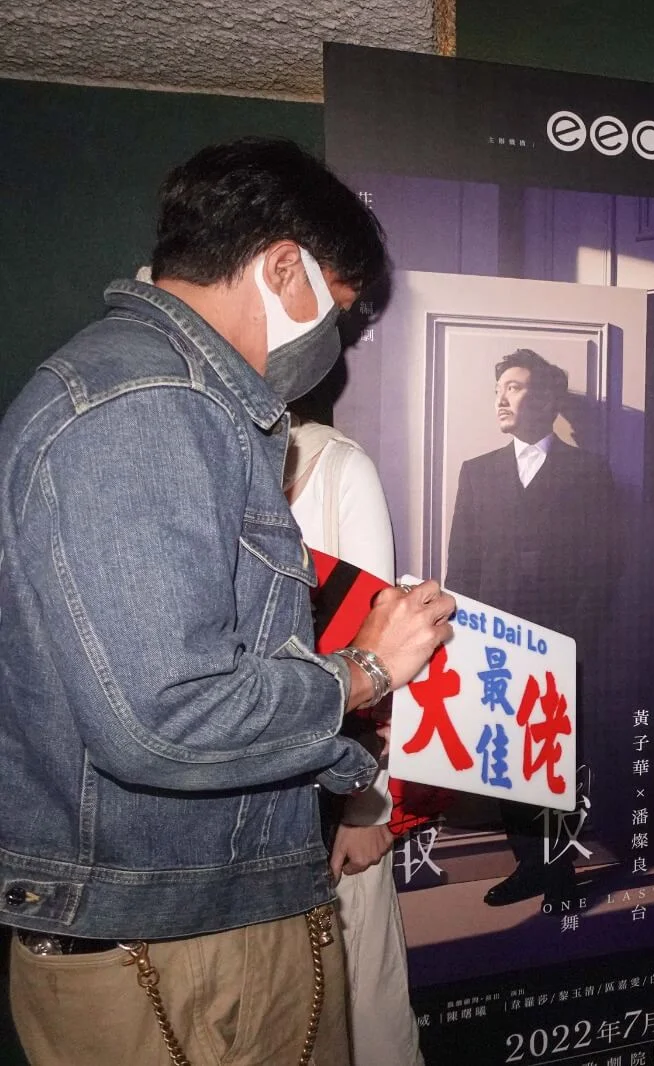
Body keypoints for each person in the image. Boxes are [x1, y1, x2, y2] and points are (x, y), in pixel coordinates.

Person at [0, 138, 454, 1065]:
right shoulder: (145, 407)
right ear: (283, 268)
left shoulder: (179, 401)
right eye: (340, 310)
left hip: (202, 911)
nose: (338, 343)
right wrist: (364, 671)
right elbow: (162, 717)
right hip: (174, 943)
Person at [446, 348, 619, 907]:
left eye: (515, 387)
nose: (501, 398)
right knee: (506, 758)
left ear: (545, 398)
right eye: (499, 388)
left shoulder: (589, 471)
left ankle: (560, 873)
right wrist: (461, 641)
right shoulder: (477, 472)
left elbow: (604, 565)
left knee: (557, 758)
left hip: (561, 645)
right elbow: (461, 567)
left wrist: (579, 642)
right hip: (494, 646)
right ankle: (528, 866)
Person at [286, 416, 426, 1066]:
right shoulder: (207, 455)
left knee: (358, 1004)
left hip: (336, 789)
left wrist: (368, 806)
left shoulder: (341, 467)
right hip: (252, 800)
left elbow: (386, 652)